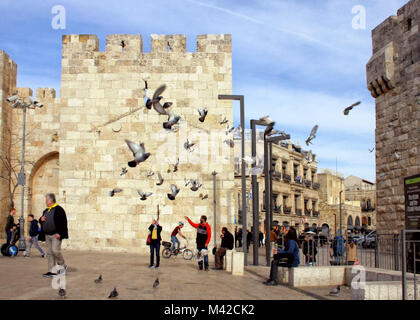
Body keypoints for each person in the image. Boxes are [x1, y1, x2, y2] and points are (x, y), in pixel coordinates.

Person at [38, 193, 68, 278]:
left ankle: (62, 265)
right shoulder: (46, 210)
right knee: (49, 253)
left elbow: (63, 223)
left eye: (46, 200)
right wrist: (41, 219)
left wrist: (60, 233)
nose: (45, 202)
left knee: (55, 250)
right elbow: (41, 220)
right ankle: (51, 271)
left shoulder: (59, 210)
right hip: (47, 235)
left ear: (50, 200)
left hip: (56, 234)